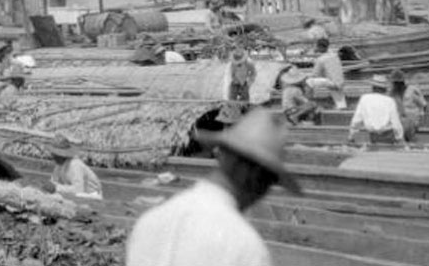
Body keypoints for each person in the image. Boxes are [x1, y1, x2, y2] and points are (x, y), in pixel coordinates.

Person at [126, 110, 303, 266]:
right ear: (255, 176)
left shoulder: (151, 220)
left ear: (221, 153)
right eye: (268, 181)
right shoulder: (244, 245)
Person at [348, 76, 406, 147]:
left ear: (373, 87)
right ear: (385, 89)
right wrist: (400, 138)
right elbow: (396, 123)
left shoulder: (364, 99)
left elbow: (356, 121)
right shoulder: (390, 101)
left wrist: (351, 136)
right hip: (388, 135)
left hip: (371, 135)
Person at [46, 134, 103, 200]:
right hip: (78, 193)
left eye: (55, 154)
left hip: (91, 194)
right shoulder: (59, 165)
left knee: (75, 195)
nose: (53, 157)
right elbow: (54, 181)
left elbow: (78, 189)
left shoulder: (75, 164)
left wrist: (56, 187)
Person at [306, 38, 348, 109]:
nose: (316, 48)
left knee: (308, 82)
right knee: (341, 105)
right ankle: (341, 108)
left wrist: (305, 75)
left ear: (320, 47)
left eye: (317, 46)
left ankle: (307, 103)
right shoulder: (335, 55)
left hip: (331, 82)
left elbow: (315, 75)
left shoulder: (320, 59)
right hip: (340, 82)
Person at [388, 69, 427, 143]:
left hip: (412, 121)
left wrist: (422, 121)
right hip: (398, 122)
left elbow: (424, 105)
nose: (395, 85)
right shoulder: (392, 93)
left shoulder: (412, 91)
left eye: (397, 83)